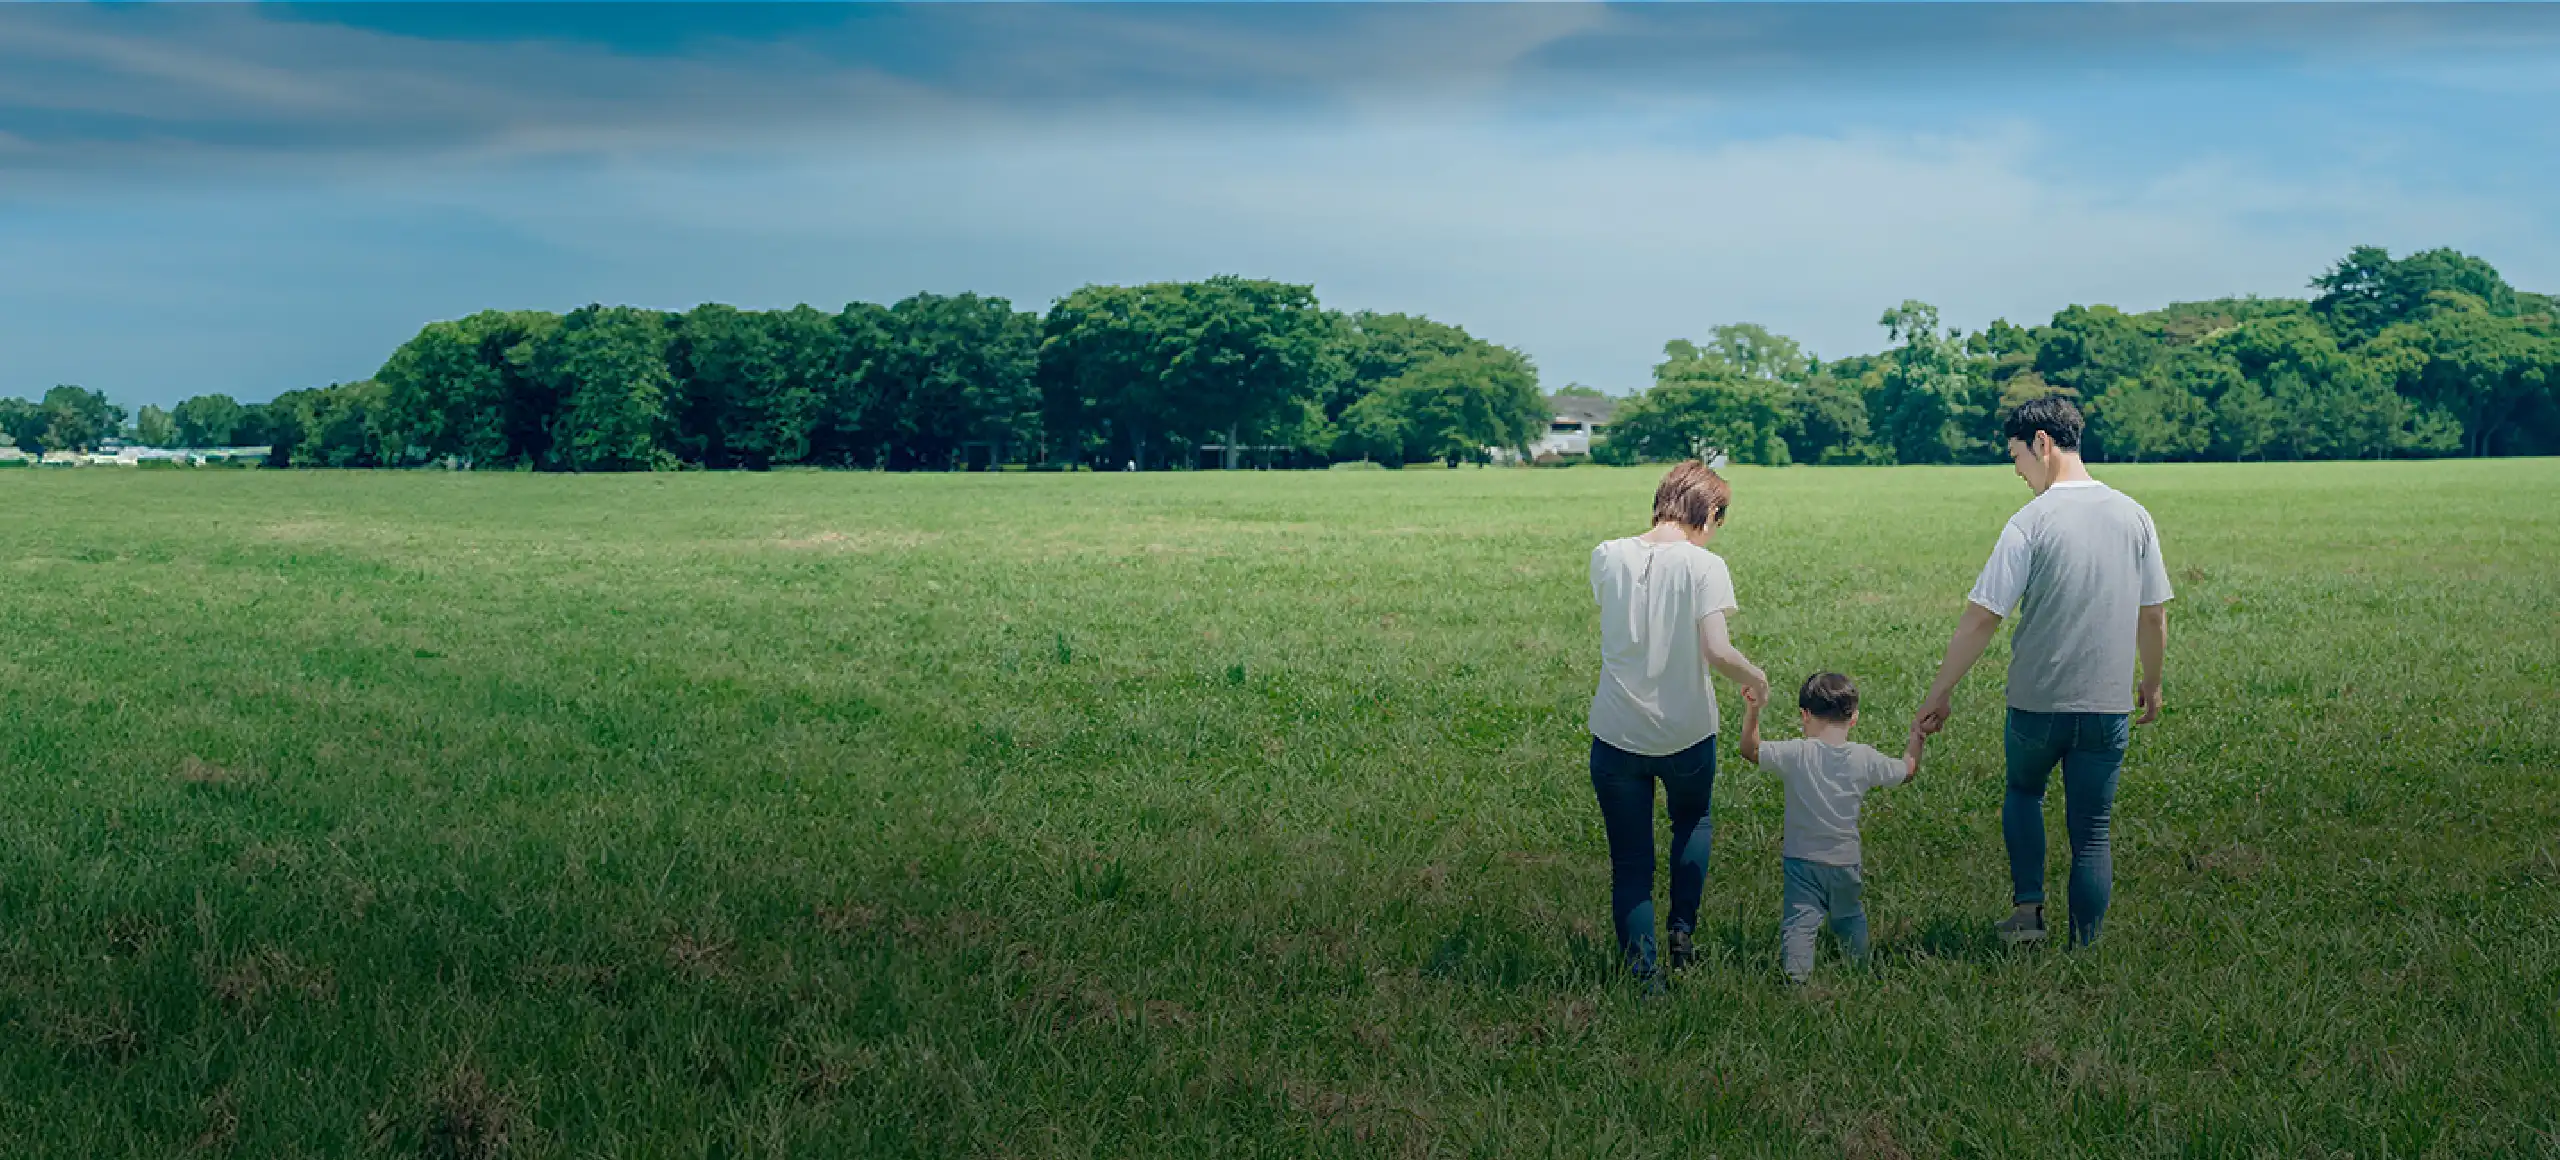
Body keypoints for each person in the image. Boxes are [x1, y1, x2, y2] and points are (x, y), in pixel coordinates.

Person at [1910, 395, 2172, 947]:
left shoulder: (2030, 522)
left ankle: (2028, 915)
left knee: (2024, 792)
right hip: (2106, 706)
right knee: (2093, 832)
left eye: (2017, 457)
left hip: (2036, 704)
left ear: (2043, 445)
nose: (2017, 472)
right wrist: (2151, 682)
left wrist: (1941, 691)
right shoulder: (2134, 514)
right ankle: (2086, 946)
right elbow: (2153, 614)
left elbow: (1983, 617)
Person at [1587, 460, 1770, 992]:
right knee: (1692, 823)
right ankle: (1682, 934)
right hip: (1687, 732)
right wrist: (1755, 676)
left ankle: (1645, 978)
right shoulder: (1704, 566)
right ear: (1709, 513)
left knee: (1630, 860)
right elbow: (1717, 650)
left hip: (1616, 732)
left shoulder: (1606, 555)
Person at [1736, 673, 1923, 983]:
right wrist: (1917, 737)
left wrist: (1753, 711)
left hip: (1802, 860)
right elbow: (1906, 771)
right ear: (1854, 718)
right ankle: (1860, 970)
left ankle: (1798, 982)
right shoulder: (1864, 758)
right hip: (1846, 862)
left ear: (1804, 715)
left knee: (1800, 923)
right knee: (1850, 916)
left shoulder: (1797, 753)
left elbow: (1750, 750)